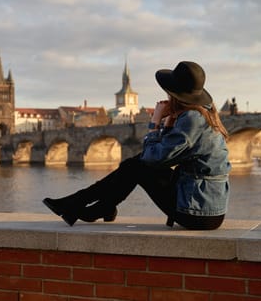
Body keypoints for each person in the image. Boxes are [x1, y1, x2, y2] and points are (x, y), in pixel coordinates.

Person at [43, 61, 231, 230]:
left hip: (197, 213)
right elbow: (165, 156)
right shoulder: (202, 115)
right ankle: (90, 207)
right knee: (135, 165)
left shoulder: (192, 119)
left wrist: (155, 122)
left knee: (136, 166)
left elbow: (152, 156)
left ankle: (84, 206)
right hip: (208, 207)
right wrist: (168, 124)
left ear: (174, 94)